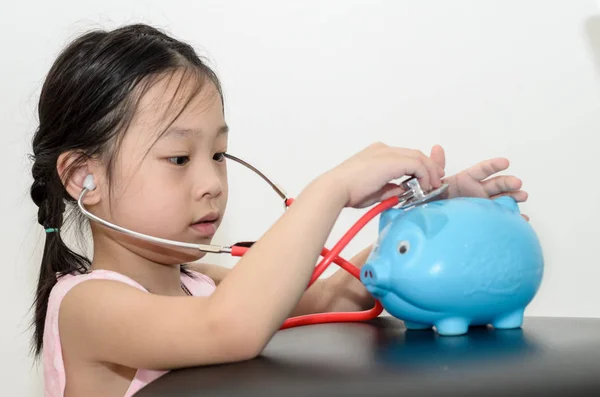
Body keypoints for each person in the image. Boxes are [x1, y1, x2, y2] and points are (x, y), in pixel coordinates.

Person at [28, 23, 528, 397]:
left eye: (219, 156)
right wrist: (329, 190)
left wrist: (432, 220)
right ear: (82, 178)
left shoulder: (201, 283)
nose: (211, 183)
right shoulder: (85, 307)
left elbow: (336, 293)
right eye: (178, 158)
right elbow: (229, 329)